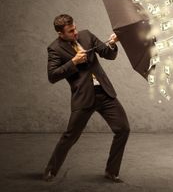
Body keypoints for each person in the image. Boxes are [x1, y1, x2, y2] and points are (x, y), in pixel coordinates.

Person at [43, 14, 130, 183]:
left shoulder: (86, 35)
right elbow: (52, 76)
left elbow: (108, 54)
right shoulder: (55, 48)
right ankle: (51, 170)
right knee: (70, 136)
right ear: (60, 34)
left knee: (123, 129)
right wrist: (73, 62)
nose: (75, 32)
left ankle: (111, 171)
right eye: (70, 31)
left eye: (75, 28)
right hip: (83, 97)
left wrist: (112, 43)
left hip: (104, 93)